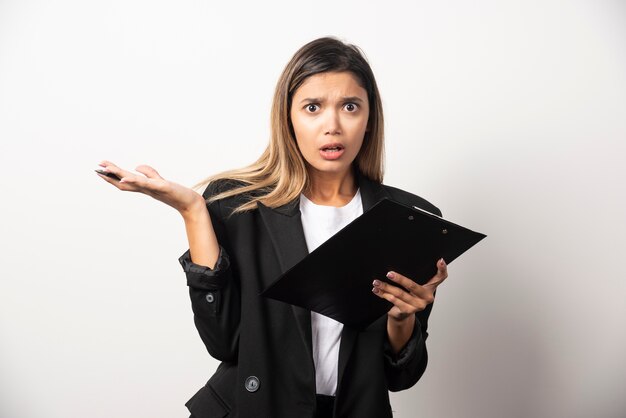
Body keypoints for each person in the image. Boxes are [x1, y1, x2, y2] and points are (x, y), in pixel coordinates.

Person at [96, 36, 448, 418]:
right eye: (313, 107)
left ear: (369, 119)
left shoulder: (407, 218)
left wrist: (402, 318)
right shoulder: (237, 205)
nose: (332, 126)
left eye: (350, 106)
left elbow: (402, 376)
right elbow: (224, 342)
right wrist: (194, 211)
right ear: (289, 118)